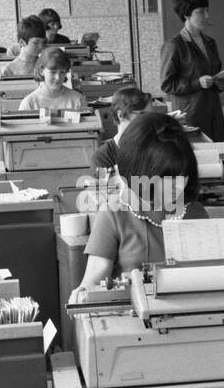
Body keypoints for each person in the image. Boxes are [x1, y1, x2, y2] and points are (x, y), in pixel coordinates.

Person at [72, 114, 207, 292]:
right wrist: (83, 292)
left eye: (182, 175)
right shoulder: (115, 212)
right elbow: (95, 277)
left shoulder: (196, 213)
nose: (177, 186)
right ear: (140, 173)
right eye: (166, 178)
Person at [160, 0, 224, 142]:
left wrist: (219, 83)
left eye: (207, 11)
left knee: (219, 153)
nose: (206, 16)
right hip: (191, 114)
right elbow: (167, 84)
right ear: (186, 15)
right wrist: (197, 82)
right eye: (200, 12)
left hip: (213, 111)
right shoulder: (174, 45)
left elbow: (214, 72)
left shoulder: (210, 42)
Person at [93, 86, 152, 170]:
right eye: (142, 114)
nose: (150, 120)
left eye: (151, 115)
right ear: (120, 116)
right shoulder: (104, 157)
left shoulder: (157, 149)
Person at [18, 47, 87, 114]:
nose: (58, 77)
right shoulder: (29, 104)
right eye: (53, 72)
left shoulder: (78, 100)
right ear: (42, 71)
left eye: (62, 72)